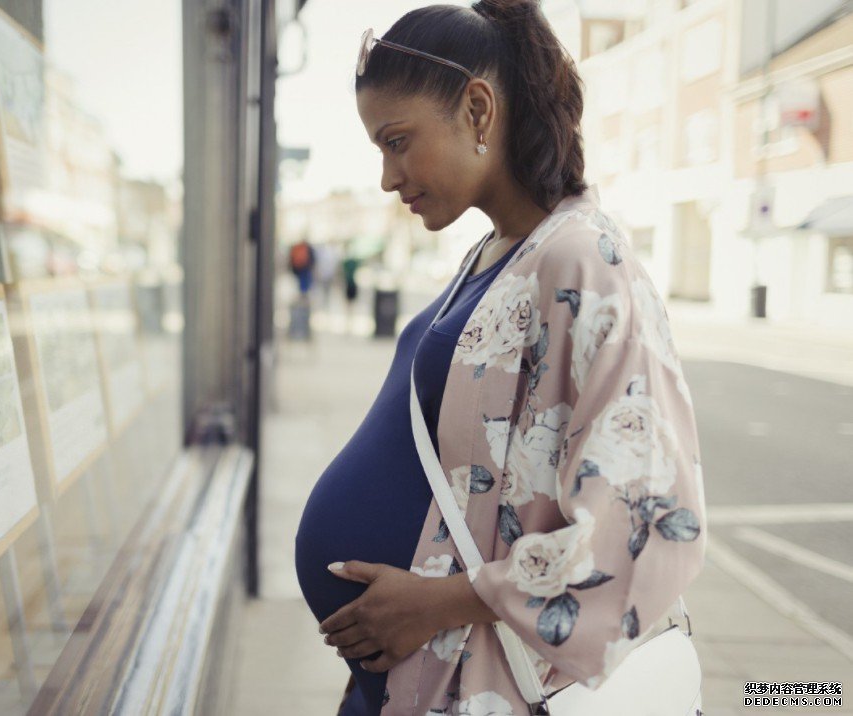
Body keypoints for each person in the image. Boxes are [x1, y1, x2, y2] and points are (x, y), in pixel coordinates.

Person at [294, 2, 707, 715]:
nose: (388, 178)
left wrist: (437, 602)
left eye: (397, 141)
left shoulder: (583, 256)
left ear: (478, 111)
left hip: (499, 682)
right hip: (414, 676)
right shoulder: (488, 254)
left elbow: (643, 520)